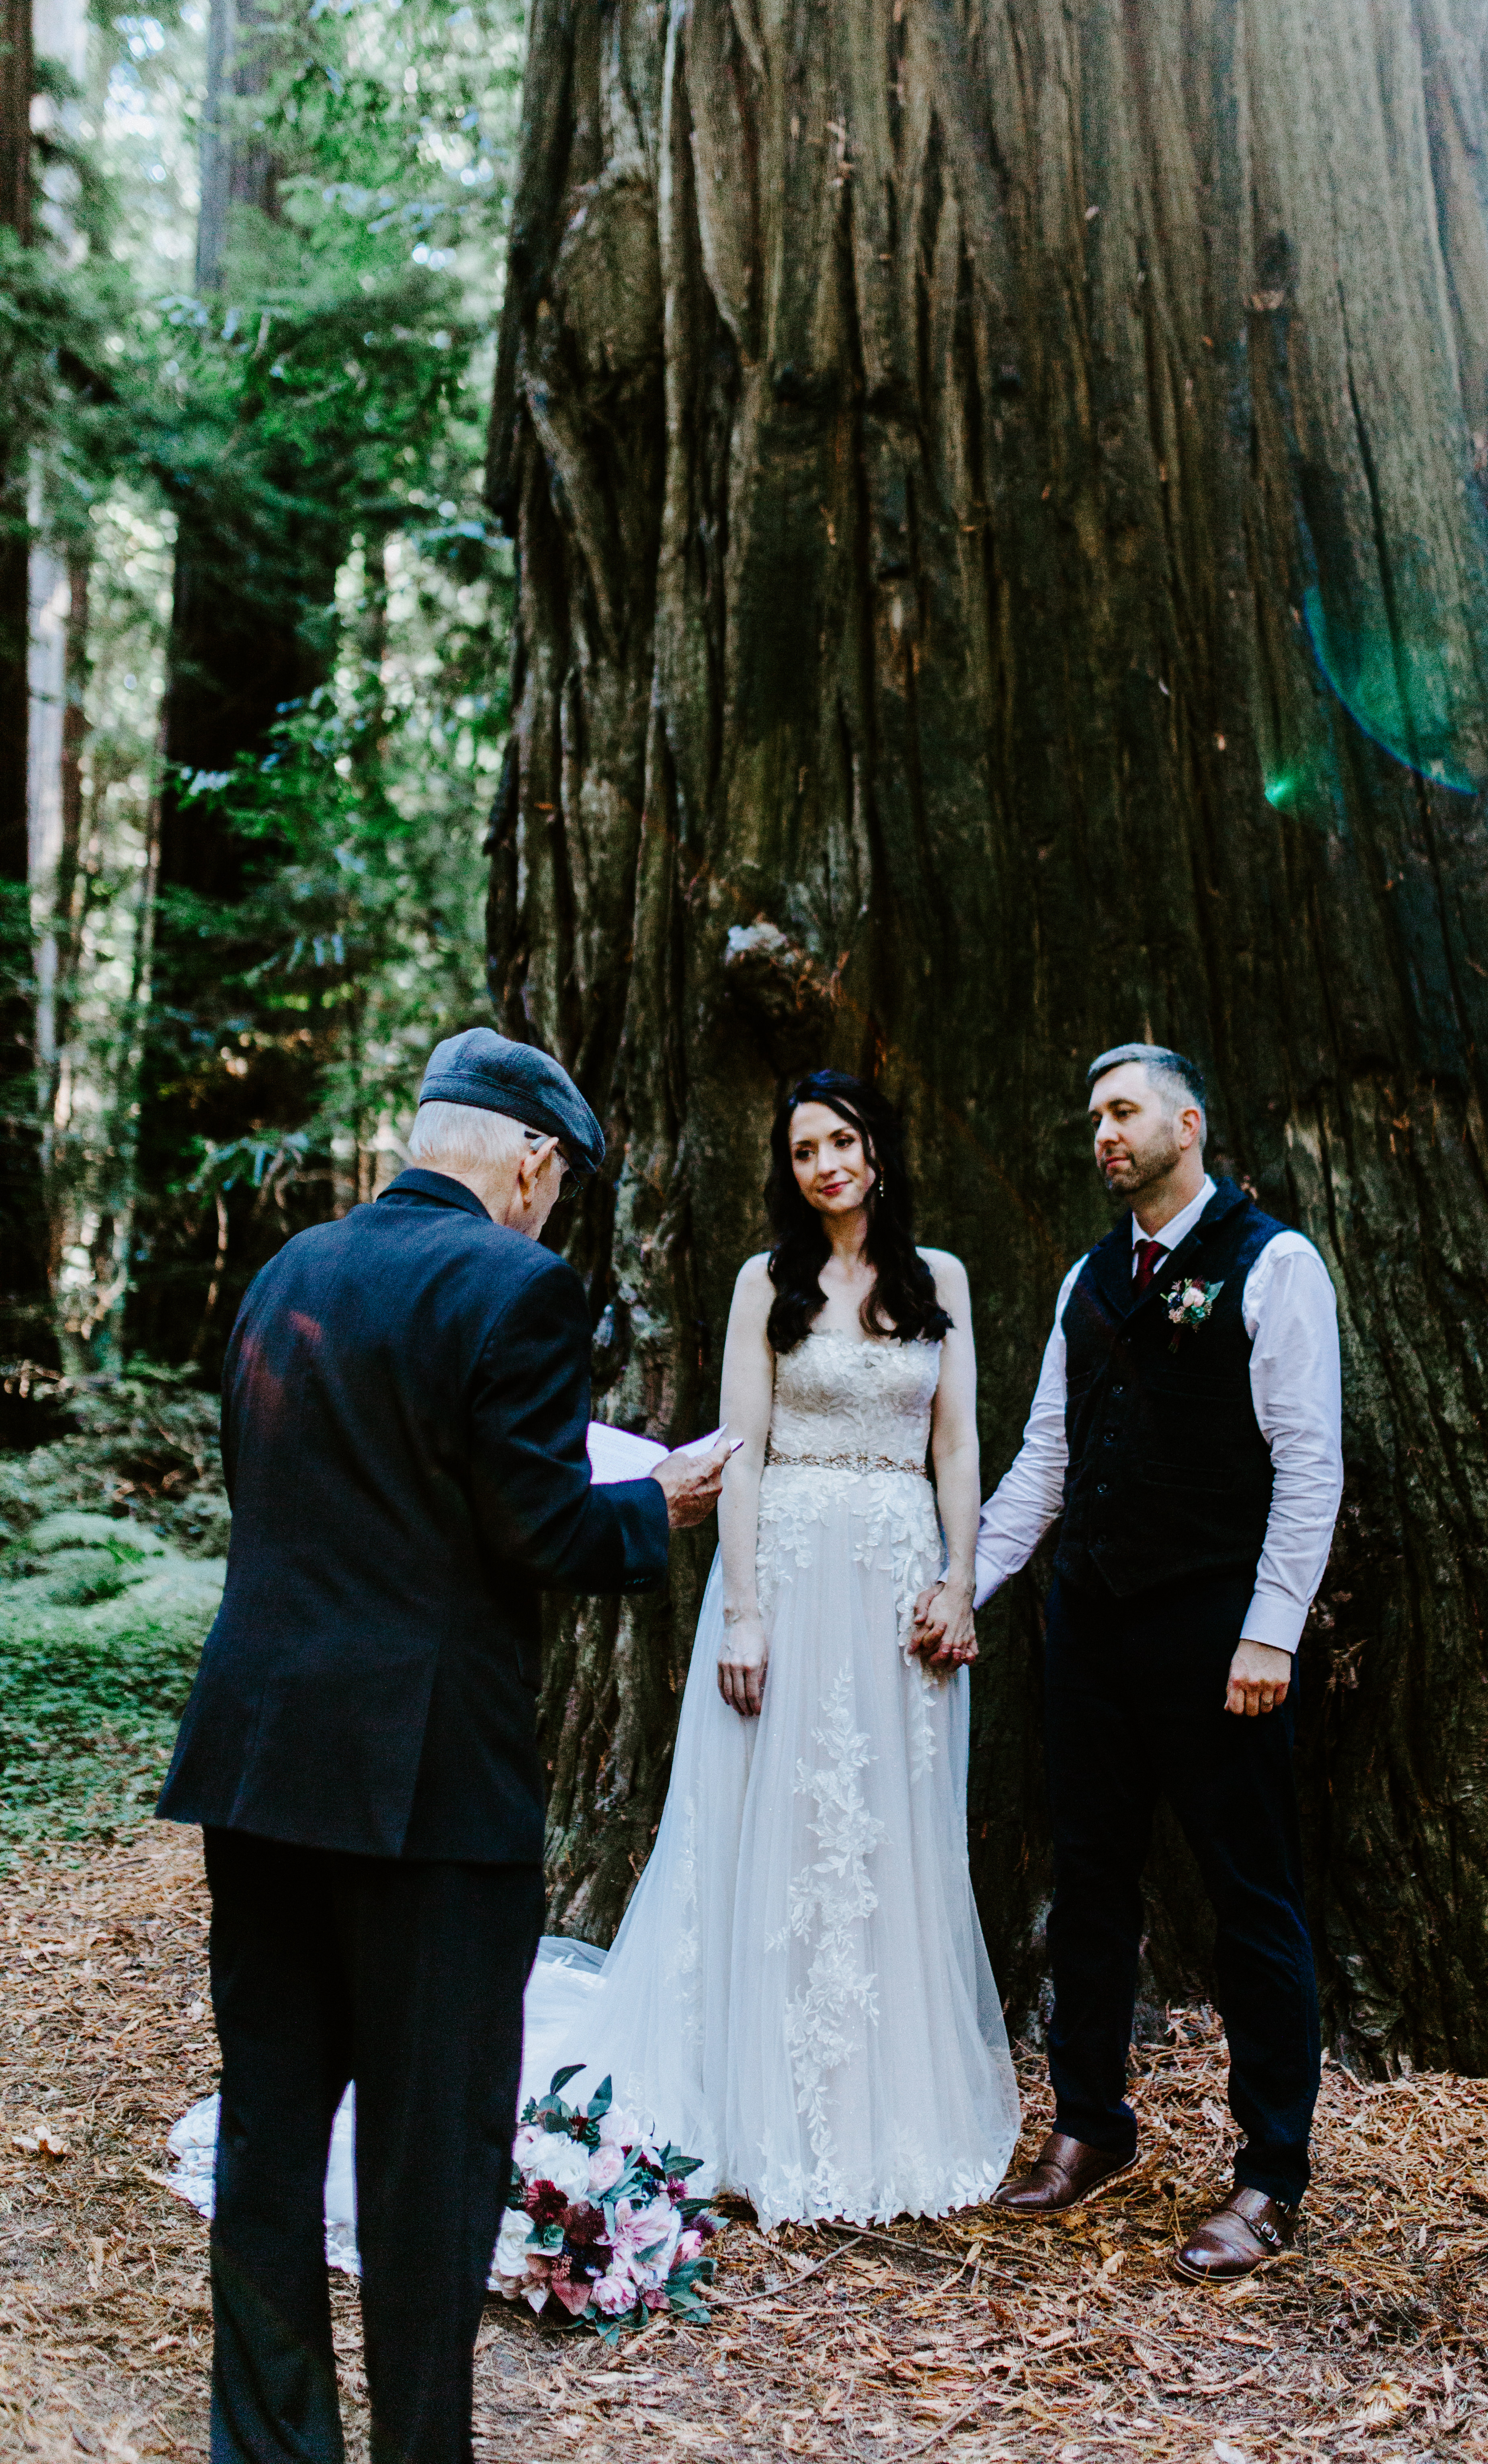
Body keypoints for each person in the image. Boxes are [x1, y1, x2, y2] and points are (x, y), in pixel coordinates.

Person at [157, 1030, 732, 2464]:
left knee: (274, 2133)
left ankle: (272, 2446)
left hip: (261, 1760)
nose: (554, 1213)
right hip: (427, 1791)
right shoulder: (516, 1286)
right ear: (531, 1160)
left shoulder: (290, 1271)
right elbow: (537, 1525)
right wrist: (655, 1504)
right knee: (433, 2156)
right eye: (561, 1183)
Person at [517, 1069, 1020, 2227]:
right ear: (788, 1173)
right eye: (805, 1152)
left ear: (877, 1150)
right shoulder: (766, 1283)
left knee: (885, 1830)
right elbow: (738, 1448)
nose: (828, 1165)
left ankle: (878, 2107)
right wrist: (741, 1608)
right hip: (789, 1570)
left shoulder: (939, 1279)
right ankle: (751, 2105)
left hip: (897, 1579)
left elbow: (958, 1447)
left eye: (842, 1142)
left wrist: (960, 1578)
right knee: (773, 1825)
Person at [974, 1045, 1341, 2279]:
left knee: (1252, 1900)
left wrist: (1270, 1632)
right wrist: (964, 1583)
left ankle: (1271, 2175)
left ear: (1190, 1120)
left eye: (1124, 1112)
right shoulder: (1090, 1278)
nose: (1105, 1135)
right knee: (1090, 1882)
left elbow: (1310, 1463)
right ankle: (1090, 2127)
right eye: (1094, 1118)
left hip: (1214, 1634)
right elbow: (1047, 1460)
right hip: (1091, 1627)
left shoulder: (1275, 1263)